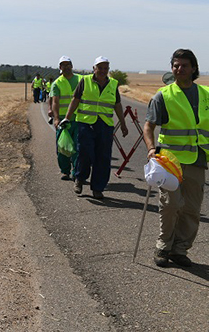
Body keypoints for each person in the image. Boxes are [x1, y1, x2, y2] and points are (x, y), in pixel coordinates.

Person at [142, 49, 207, 268]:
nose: (179, 69)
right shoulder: (163, 96)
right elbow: (149, 126)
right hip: (169, 162)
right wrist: (151, 149)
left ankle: (180, 250)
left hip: (197, 161)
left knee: (191, 208)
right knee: (170, 205)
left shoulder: (206, 94)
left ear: (193, 68)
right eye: (175, 65)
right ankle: (163, 246)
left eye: (184, 65)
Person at [63, 56, 128, 200]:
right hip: (86, 124)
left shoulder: (113, 84)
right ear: (94, 69)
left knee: (103, 157)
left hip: (105, 125)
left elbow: (117, 105)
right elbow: (76, 100)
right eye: (100, 68)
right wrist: (67, 117)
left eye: (106, 68)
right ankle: (79, 179)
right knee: (85, 154)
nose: (103, 71)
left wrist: (123, 124)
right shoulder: (85, 81)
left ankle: (98, 188)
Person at [50, 57, 81, 180]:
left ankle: (76, 172)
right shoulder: (57, 83)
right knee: (62, 147)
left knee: (78, 148)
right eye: (63, 65)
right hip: (63, 121)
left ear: (72, 66)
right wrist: (56, 118)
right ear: (60, 68)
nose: (66, 67)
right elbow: (55, 102)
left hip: (78, 119)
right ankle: (65, 171)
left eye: (68, 64)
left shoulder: (81, 80)